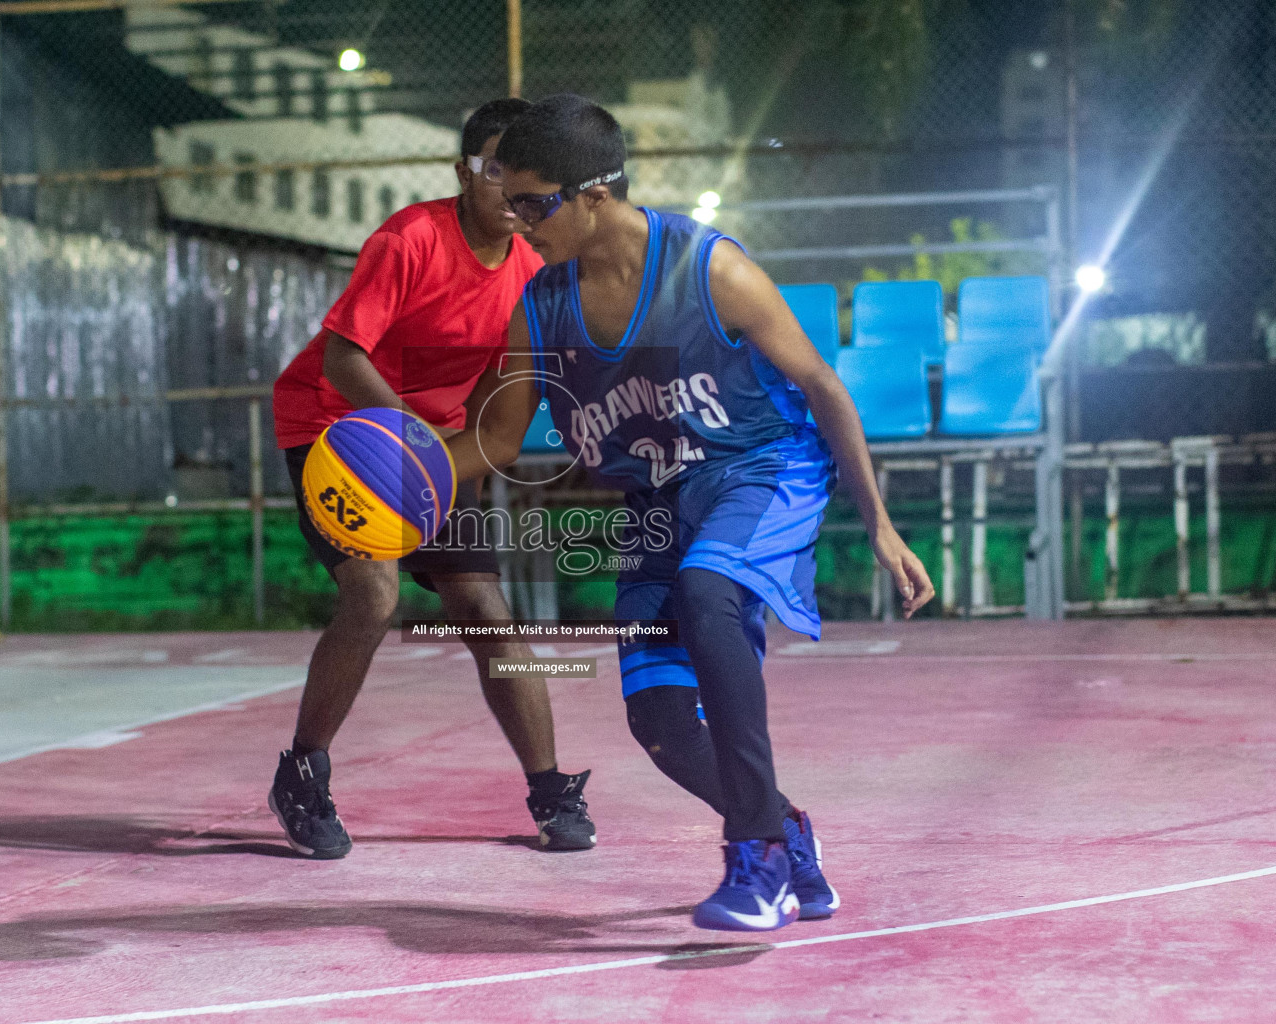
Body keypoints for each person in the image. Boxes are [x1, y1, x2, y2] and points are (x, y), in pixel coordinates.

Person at [443, 94, 935, 931]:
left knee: (710, 589)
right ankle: (786, 829)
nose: (515, 219)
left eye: (533, 201)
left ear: (594, 193)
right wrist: (398, 486)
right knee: (662, 722)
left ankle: (759, 859)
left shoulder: (709, 269)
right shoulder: (542, 304)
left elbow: (821, 386)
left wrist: (880, 524)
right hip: (659, 502)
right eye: (508, 199)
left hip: (759, 470)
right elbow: (494, 434)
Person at [269, 98, 597, 860]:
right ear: (463, 172)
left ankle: (549, 787)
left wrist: (451, 456)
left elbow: (493, 395)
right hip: (340, 430)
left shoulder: (529, 272)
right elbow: (341, 357)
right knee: (374, 594)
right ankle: (302, 772)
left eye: (519, 177)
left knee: (484, 605)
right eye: (490, 170)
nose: (506, 189)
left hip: (433, 448)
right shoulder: (410, 239)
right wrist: (405, 442)